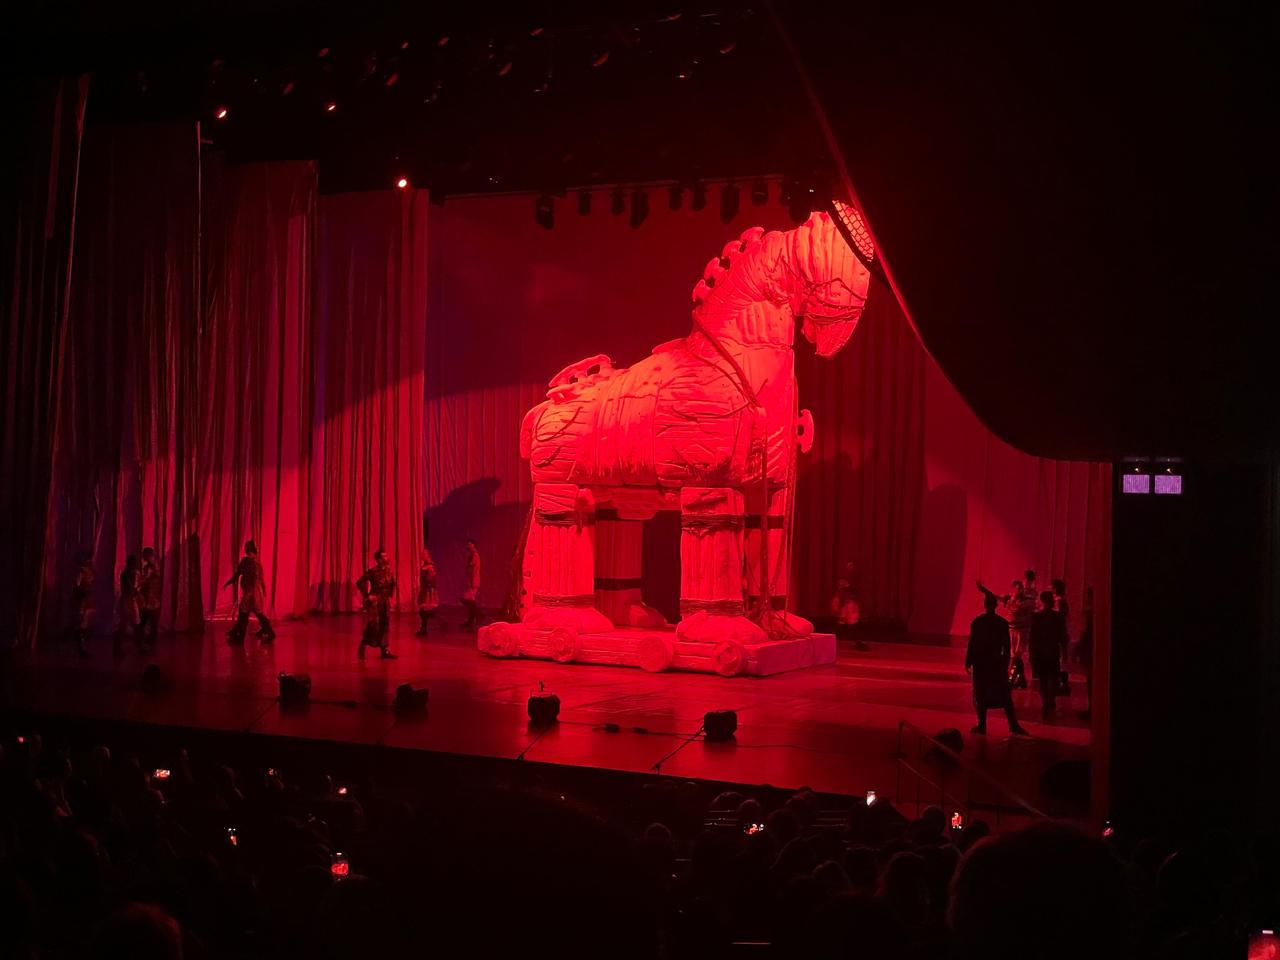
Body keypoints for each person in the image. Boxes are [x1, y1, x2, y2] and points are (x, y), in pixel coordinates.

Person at [965, 592, 1028, 736]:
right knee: (1004, 694)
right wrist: (1004, 662)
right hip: (995, 663)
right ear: (995, 606)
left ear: (985, 605)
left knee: (981, 693)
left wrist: (968, 660)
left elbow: (972, 643)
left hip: (981, 663)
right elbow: (1006, 646)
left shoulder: (977, 622)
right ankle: (1012, 724)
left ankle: (982, 724)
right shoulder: (1001, 623)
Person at [224, 540, 274, 644]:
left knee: (243, 614)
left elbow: (238, 574)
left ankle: (240, 637)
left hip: (250, 593)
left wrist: (229, 583)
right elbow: (261, 581)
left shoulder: (246, 561)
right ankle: (268, 630)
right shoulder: (257, 565)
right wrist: (262, 592)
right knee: (255, 613)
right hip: (255, 593)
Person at [1028, 590, 1067, 719]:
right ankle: (1050, 701)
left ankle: (1046, 702)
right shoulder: (1058, 617)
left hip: (1041, 652)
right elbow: (1063, 636)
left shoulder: (1037, 617)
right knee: (1052, 678)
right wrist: (1065, 653)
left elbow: (1032, 637)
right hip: (1052, 651)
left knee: (1043, 680)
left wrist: (1031, 653)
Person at [356, 549, 397, 659]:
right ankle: (363, 645)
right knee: (373, 625)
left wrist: (390, 597)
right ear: (379, 560)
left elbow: (393, 584)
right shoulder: (373, 571)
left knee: (385, 624)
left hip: (384, 602)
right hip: (375, 602)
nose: (387, 558)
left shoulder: (389, 571)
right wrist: (367, 595)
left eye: (386, 556)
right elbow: (359, 582)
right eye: (384, 557)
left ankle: (384, 650)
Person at [831, 560, 866, 650]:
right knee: (842, 623)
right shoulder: (843, 578)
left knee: (851, 623)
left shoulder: (856, 579)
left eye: (851, 566)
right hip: (845, 603)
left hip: (850, 603)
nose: (850, 568)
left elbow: (856, 591)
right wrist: (837, 602)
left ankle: (858, 642)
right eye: (848, 566)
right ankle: (832, 641)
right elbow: (839, 591)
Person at [115, 554, 142, 657]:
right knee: (134, 624)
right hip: (130, 600)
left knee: (125, 624)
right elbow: (134, 588)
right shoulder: (133, 573)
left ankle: (119, 647)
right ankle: (137, 646)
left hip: (125, 599)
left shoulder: (125, 573)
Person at [69, 552, 95, 657]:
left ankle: (81, 646)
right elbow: (76, 586)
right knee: (80, 624)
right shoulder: (81, 571)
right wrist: (83, 594)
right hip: (82, 600)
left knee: (84, 624)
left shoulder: (88, 570)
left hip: (86, 599)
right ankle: (80, 647)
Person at [138, 547, 162, 652]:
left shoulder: (150, 568)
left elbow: (145, 582)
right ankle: (146, 645)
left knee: (147, 623)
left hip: (151, 600)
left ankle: (146, 645)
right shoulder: (151, 568)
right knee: (148, 624)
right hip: (150, 600)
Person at [1076, 585, 1094, 719]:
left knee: (1091, 680)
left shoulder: (1090, 612)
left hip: (1089, 649)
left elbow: (1086, 631)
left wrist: (1078, 648)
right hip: (1093, 647)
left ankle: (1092, 709)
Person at [415, 548, 439, 636]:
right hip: (424, 589)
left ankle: (424, 628)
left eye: (424, 554)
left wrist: (430, 589)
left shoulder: (430, 566)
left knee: (424, 610)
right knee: (422, 611)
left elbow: (432, 579)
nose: (422, 556)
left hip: (427, 591)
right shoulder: (425, 566)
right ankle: (423, 628)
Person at [461, 539, 482, 631]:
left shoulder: (475, 556)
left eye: (470, 544)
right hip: (471, 580)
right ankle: (471, 620)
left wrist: (472, 581)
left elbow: (473, 570)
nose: (468, 546)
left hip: (473, 581)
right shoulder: (471, 556)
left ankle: (479, 615)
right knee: (470, 600)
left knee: (468, 599)